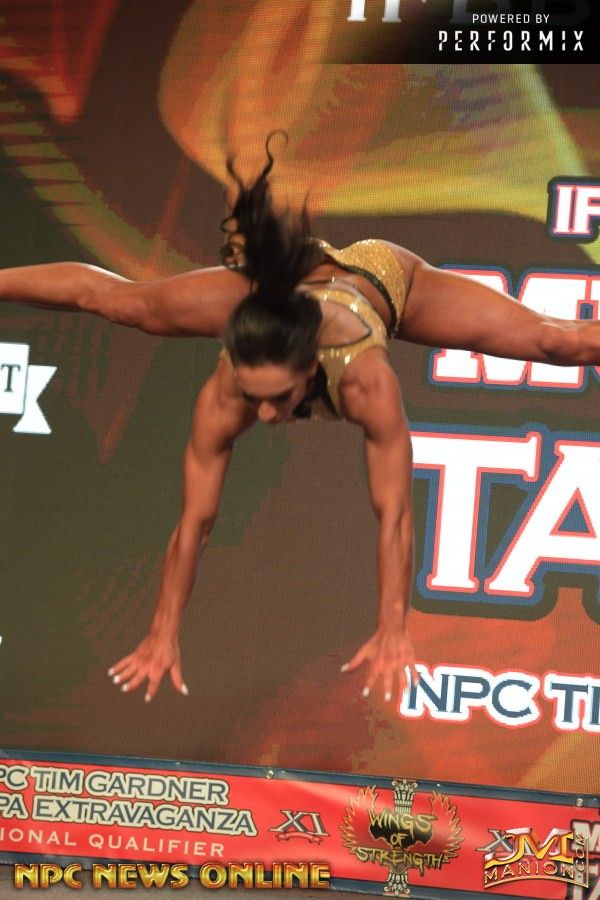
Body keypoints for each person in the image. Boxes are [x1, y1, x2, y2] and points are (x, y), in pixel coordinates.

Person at [1, 141, 599, 706]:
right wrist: (162, 632)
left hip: (379, 278)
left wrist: (393, 626)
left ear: (311, 368)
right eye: (253, 397)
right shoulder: (226, 393)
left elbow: (393, 514)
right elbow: (194, 522)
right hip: (275, 294)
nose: (265, 415)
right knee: (123, 302)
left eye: (277, 398)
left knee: (556, 341)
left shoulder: (365, 381)